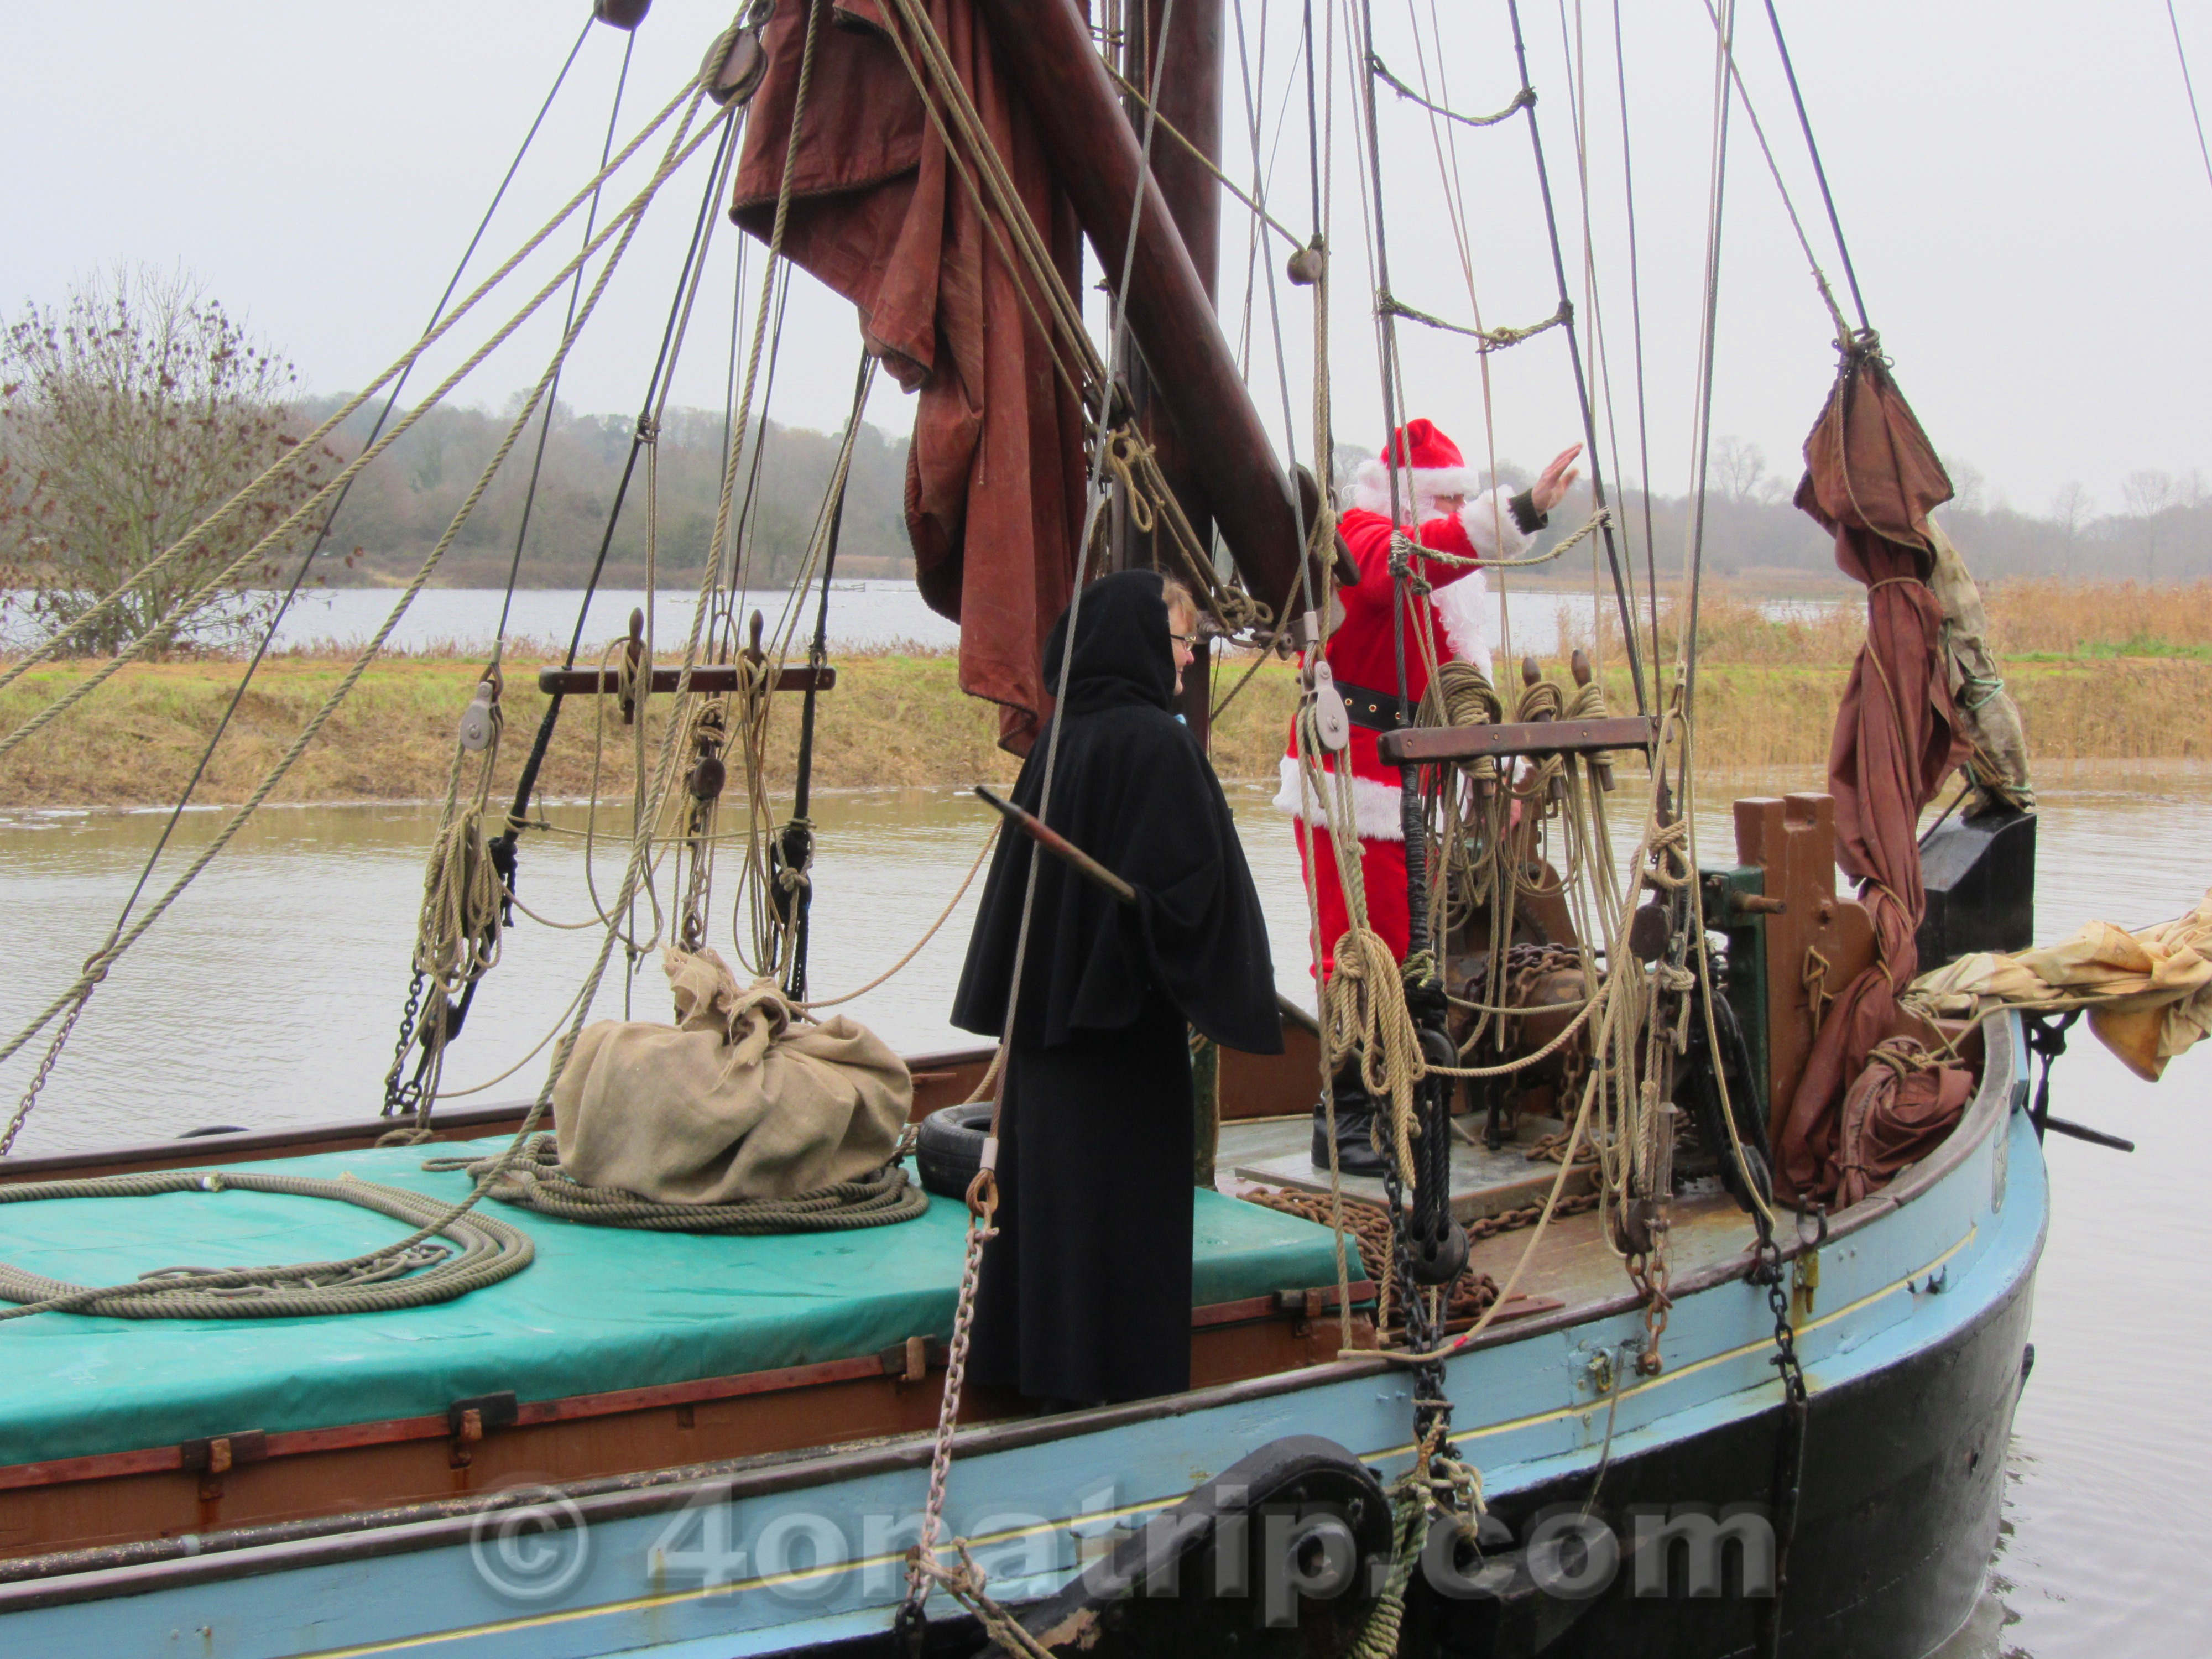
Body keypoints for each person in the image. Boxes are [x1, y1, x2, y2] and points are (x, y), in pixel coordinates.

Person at [951, 570, 1282, 1406]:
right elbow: (1197, 895)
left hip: (1048, 1045)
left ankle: (1037, 1370)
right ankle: (1125, 1388)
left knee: (1051, 1217)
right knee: (1125, 1222)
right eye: (1180, 643)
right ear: (1141, 646)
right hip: (1125, 1045)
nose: (1186, 663)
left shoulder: (1055, 744)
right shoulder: (1160, 745)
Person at [1274, 419, 1583, 1173]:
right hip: (1345, 780)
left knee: (1410, 947)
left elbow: (1459, 687)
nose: (1447, 515)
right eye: (1441, 502)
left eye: (1458, 503)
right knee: (1357, 950)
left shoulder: (1440, 591)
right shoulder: (1362, 532)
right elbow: (1388, 570)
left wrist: (1497, 777)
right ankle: (1345, 1118)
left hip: (1406, 779)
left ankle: (1389, 1105)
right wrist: (1521, 512)